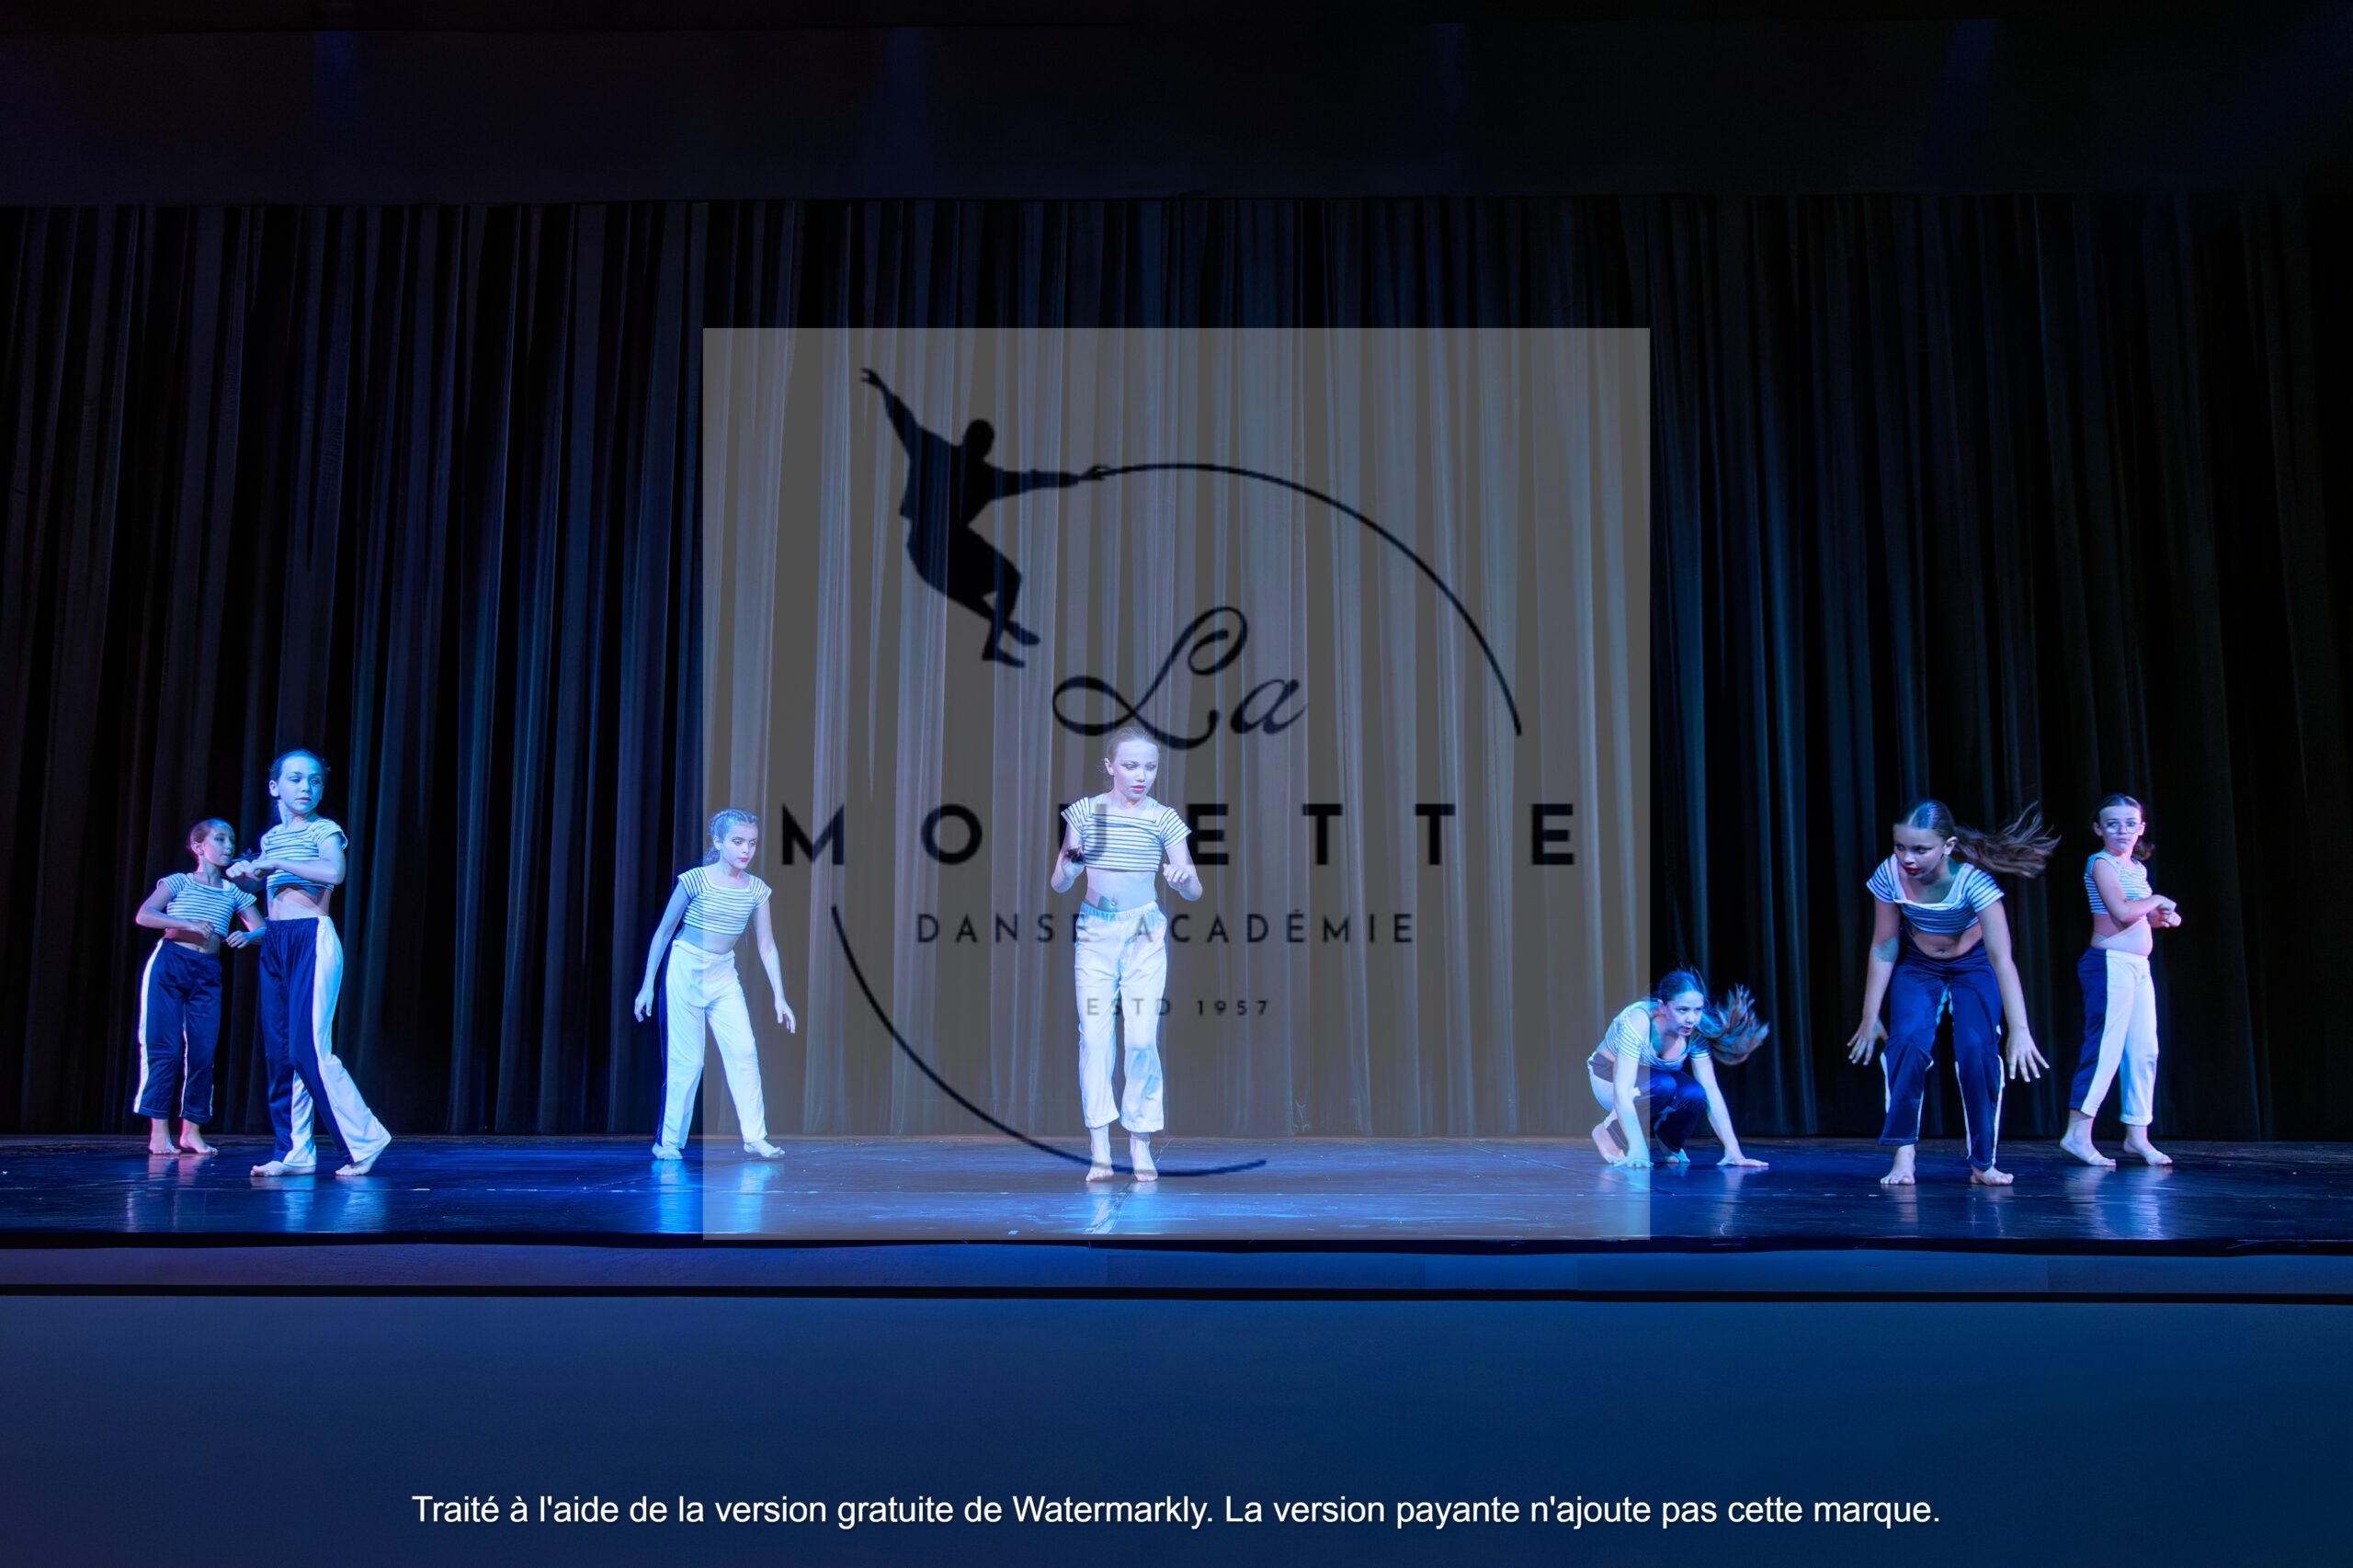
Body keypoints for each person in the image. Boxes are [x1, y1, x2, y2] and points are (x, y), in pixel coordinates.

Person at [1846, 800, 2054, 1186]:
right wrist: (1869, 1015)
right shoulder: (1890, 874)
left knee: (1976, 1052)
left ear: (1948, 846)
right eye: (1900, 847)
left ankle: (1982, 1164)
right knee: (1906, 1044)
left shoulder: (1974, 884)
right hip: (1920, 964)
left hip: (1973, 964)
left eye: (1920, 849)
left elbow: (2002, 960)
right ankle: (1903, 1156)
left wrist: (2020, 1029)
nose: (1908, 858)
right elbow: (1884, 945)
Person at [861, 366, 1109, 666]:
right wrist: (884, 390)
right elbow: (904, 421)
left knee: (1002, 579)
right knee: (994, 580)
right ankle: (996, 630)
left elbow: (1031, 480)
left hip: (941, 546)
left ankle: (995, 635)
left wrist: (1077, 478)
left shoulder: (961, 464)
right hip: (930, 546)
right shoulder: (945, 457)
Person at [1049, 726, 1202, 1181]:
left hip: (1143, 933)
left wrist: (1183, 880)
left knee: (1140, 1039)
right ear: (1110, 766)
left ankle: (1140, 1141)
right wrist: (1071, 866)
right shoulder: (1085, 812)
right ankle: (1099, 1145)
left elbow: (1194, 888)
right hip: (1096, 932)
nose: (1141, 776)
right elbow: (1059, 883)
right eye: (1131, 766)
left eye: (1150, 767)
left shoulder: (1163, 818)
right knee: (1095, 1039)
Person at [233, 749, 394, 1177]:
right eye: (296, 779)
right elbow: (273, 888)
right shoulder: (271, 837)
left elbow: (334, 872)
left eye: (315, 780)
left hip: (312, 939)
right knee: (281, 1052)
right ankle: (294, 1151)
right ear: (275, 787)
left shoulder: (325, 830)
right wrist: (251, 873)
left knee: (309, 1049)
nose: (306, 787)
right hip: (276, 940)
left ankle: (366, 1138)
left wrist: (276, 862)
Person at [633, 809, 799, 1160]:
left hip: (723, 974)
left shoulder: (756, 890)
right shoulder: (695, 880)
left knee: (744, 1050)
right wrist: (648, 985)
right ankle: (668, 1142)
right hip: (686, 968)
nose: (746, 850)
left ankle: (755, 1136)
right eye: (738, 842)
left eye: (752, 843)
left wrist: (780, 996)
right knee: (688, 1061)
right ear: (718, 841)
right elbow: (664, 932)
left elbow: (767, 946)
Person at [130, 818, 264, 1155]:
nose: (228, 846)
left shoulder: (233, 892)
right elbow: (145, 915)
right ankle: (159, 1132)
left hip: (207, 972)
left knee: (203, 1053)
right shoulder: (179, 882)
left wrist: (247, 936)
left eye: (231, 840)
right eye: (220, 839)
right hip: (171, 964)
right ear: (199, 847)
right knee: (166, 1049)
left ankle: (191, 1131)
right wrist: (185, 922)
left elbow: (262, 930)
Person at [2060, 793, 2179, 1167]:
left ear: (2141, 827)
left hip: (2137, 966)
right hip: (2109, 964)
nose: (2122, 830)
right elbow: (2122, 911)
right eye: (2112, 824)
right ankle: (2077, 1134)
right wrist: (2158, 900)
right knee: (2105, 1049)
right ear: (2099, 829)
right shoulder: (2101, 863)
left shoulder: (2135, 868)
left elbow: (2140, 917)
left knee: (2144, 1050)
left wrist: (2161, 918)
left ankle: (2137, 1136)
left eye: (2130, 823)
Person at [1586, 971, 1771, 1169]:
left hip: (1653, 1082)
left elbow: (1710, 1088)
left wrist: (1734, 1151)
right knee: (1663, 1085)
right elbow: (1622, 1089)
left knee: (1695, 1093)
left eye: (1697, 1010)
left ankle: (1669, 1141)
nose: (1691, 1019)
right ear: (1662, 1007)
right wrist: (1639, 1150)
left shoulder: (1696, 1030)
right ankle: (1608, 1133)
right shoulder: (1639, 1021)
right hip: (1608, 1078)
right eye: (1682, 1010)